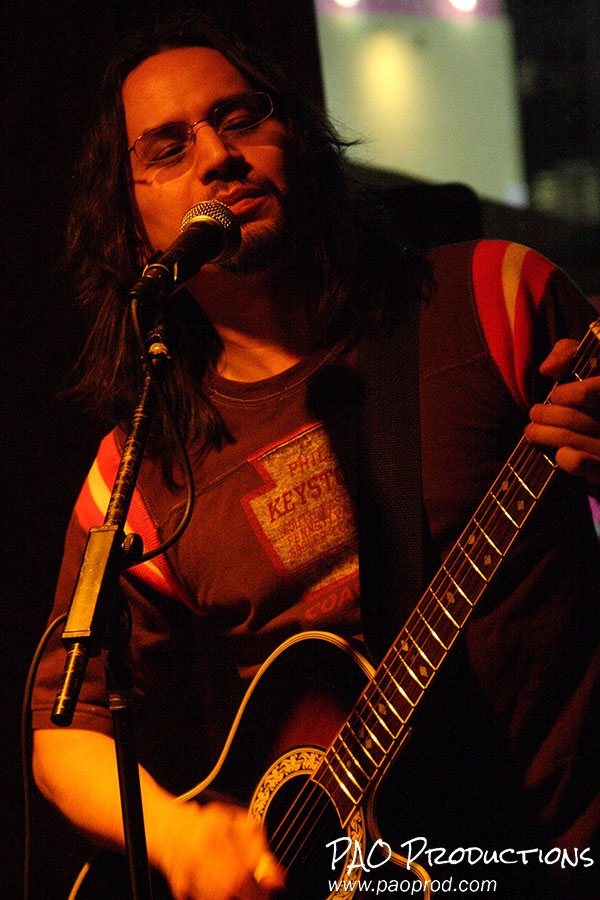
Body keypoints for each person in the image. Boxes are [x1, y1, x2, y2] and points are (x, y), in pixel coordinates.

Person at [31, 9, 600, 900]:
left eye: (240, 117)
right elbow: (64, 733)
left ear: (295, 136)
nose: (218, 156)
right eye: (168, 149)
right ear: (132, 224)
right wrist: (183, 837)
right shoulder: (138, 475)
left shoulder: (494, 296)